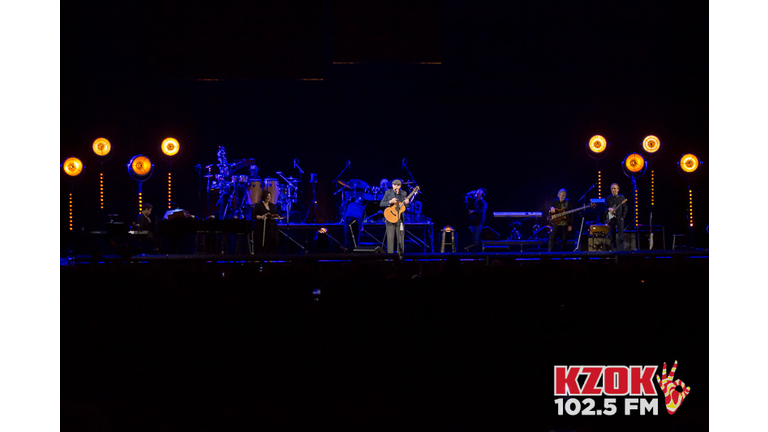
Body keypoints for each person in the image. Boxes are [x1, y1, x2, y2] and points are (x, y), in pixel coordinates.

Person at [379, 179, 410, 254]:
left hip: (400, 219)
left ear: (400, 186)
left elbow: (406, 207)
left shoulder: (404, 193)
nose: (396, 186)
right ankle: (390, 258)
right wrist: (390, 201)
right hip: (390, 219)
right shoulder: (388, 192)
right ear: (392, 185)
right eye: (395, 185)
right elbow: (381, 204)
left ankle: (400, 257)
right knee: (390, 239)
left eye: (398, 185)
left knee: (401, 239)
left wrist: (407, 203)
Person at [606, 183, 628, 251]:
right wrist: (608, 209)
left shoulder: (621, 197)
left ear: (618, 189)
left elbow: (625, 208)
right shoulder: (608, 198)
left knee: (620, 236)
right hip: (611, 219)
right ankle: (613, 252)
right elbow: (605, 208)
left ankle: (621, 252)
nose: (613, 190)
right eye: (612, 189)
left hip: (619, 218)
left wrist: (622, 217)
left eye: (615, 188)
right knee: (612, 237)